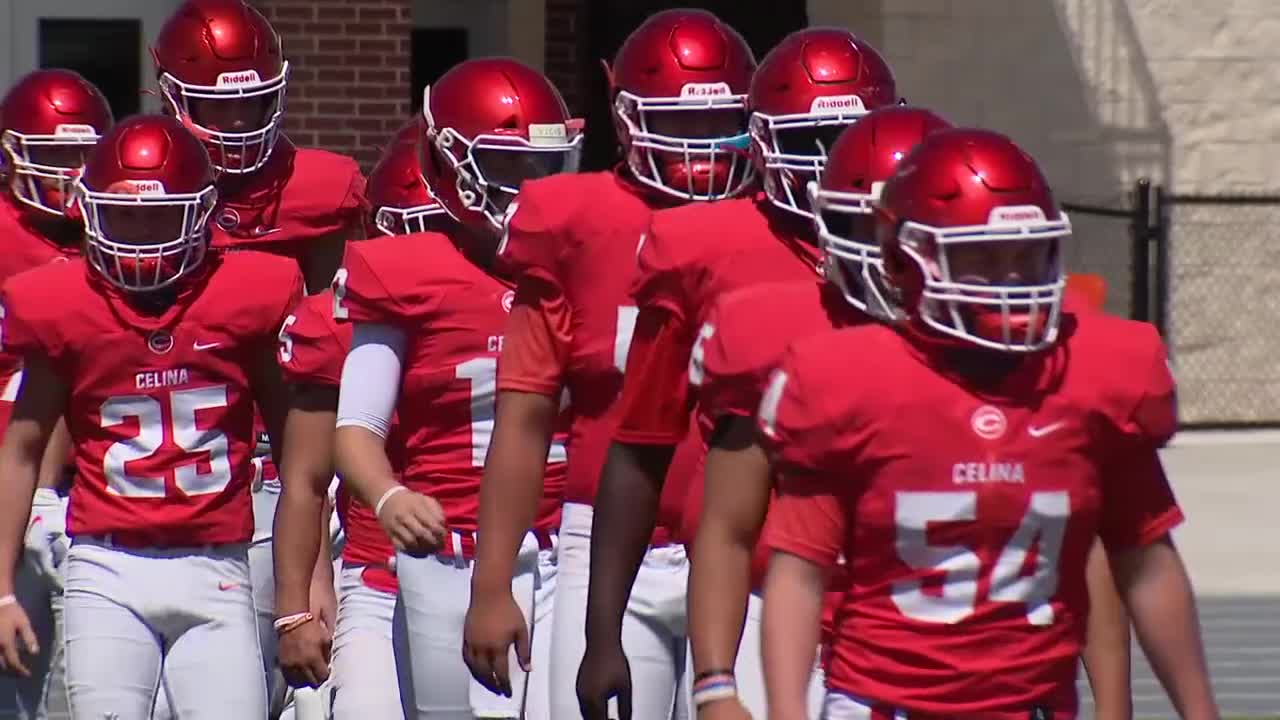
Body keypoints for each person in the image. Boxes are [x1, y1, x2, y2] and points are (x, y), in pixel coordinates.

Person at [757, 128, 1219, 720]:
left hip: (1033, 705)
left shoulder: (1094, 374)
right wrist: (786, 709)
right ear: (905, 261)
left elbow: (1146, 561)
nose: (1011, 280)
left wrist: (1199, 712)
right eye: (982, 257)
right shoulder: (851, 381)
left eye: (1026, 256)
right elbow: (800, 568)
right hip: (884, 705)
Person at [578, 27, 897, 720]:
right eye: (809, 141)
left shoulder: (935, 259)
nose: (829, 163)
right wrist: (603, 631)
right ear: (760, 141)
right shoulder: (702, 248)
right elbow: (641, 443)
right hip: (757, 589)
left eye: (848, 138)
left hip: (907, 598)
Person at [461, 11, 755, 720]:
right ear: (621, 111)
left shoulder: (776, 227)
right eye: (677, 124)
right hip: (606, 545)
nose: (699, 147)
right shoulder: (575, 220)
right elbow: (524, 418)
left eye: (718, 125)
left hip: (751, 542)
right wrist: (492, 583)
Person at [0, 113, 301, 718]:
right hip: (106, 566)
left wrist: (302, 595)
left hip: (218, 561)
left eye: (160, 216)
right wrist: (2, 588)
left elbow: (299, 462)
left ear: (202, 213)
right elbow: (21, 449)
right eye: (123, 216)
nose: (140, 236)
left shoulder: (250, 293)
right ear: (92, 213)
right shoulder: (63, 303)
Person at [686, 105, 952, 720]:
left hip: (953, 639)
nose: (888, 258)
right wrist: (715, 685)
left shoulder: (1012, 354)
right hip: (788, 620)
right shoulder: (769, 331)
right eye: (868, 229)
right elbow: (727, 529)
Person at [331, 57, 578, 720]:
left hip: (565, 550)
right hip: (446, 551)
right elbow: (355, 430)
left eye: (543, 166)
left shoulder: (585, 264)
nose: (527, 187)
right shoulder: (406, 271)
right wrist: (388, 495)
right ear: (447, 164)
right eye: (506, 165)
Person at [150, 4, 368, 713]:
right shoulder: (144, 186)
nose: (240, 124)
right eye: (220, 105)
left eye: (254, 103)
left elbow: (338, 341)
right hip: (175, 456)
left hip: (284, 461)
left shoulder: (320, 189)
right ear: (170, 96)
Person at [273, 128, 451, 719]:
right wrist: (300, 601)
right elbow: (306, 480)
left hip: (504, 565)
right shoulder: (332, 324)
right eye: (427, 228)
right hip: (378, 576)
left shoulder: (510, 307)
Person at [0, 67, 113, 720]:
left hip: (84, 494)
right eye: (54, 156)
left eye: (83, 158)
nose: (70, 175)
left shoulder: (119, 233)